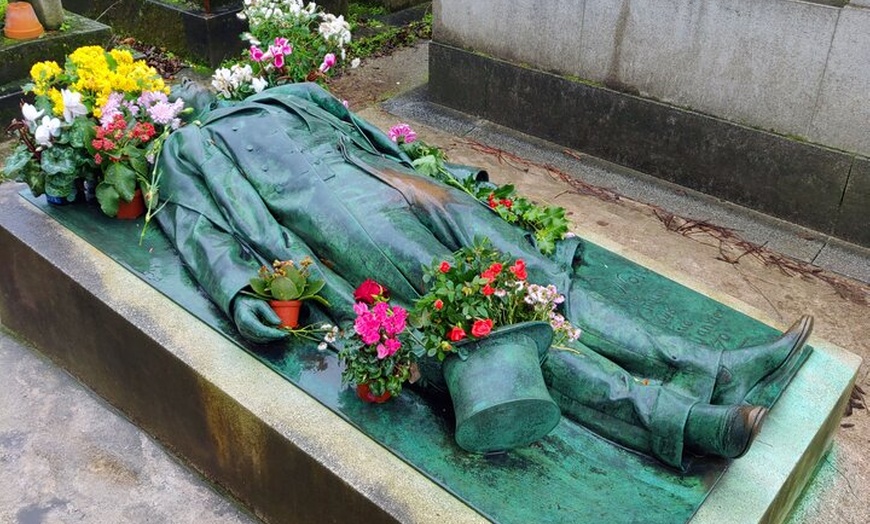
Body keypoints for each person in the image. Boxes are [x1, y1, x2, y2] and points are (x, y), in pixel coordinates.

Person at [155, 83, 813, 469]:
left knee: (537, 274)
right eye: (187, 94)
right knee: (485, 320)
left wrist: (444, 177)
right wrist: (239, 288)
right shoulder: (190, 144)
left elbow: (372, 135)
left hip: (404, 186)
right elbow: (199, 223)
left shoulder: (295, 91)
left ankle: (709, 364)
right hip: (339, 217)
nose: (197, 92)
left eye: (200, 87)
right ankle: (676, 419)